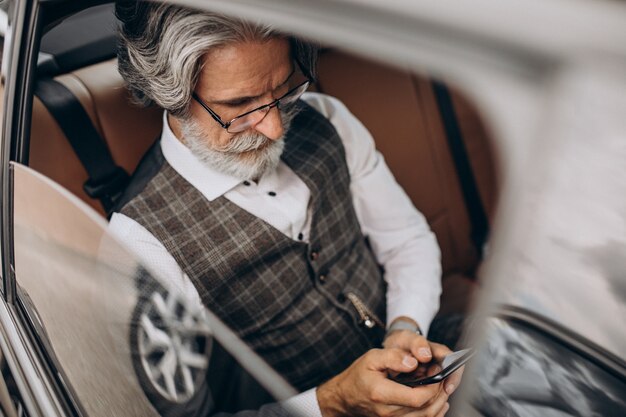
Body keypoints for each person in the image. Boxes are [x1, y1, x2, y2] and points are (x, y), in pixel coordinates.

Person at [110, 2, 463, 416]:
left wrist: (406, 326)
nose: (275, 127)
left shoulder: (328, 118)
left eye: (282, 92)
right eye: (241, 106)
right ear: (169, 93)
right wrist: (332, 403)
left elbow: (406, 240)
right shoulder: (139, 244)